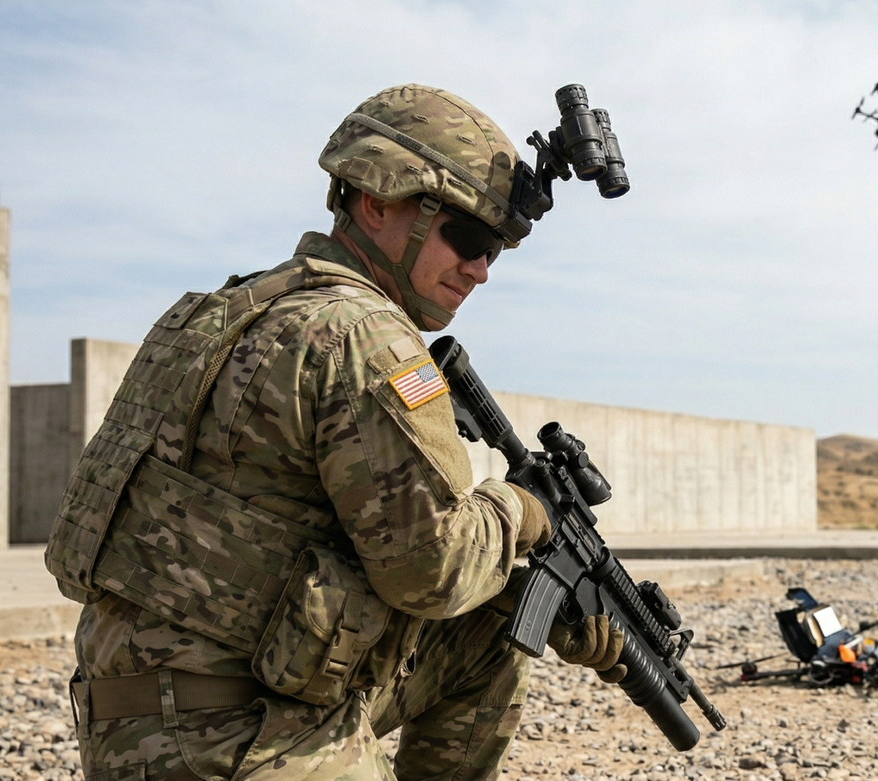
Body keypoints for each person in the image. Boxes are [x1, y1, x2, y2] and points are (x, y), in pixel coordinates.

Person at [43, 84, 623, 781]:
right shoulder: (367, 337)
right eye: (467, 236)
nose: (480, 269)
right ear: (377, 200)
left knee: (495, 625)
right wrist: (523, 511)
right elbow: (431, 572)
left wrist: (548, 599)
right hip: (234, 741)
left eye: (495, 249)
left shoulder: (215, 313)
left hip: (127, 721)